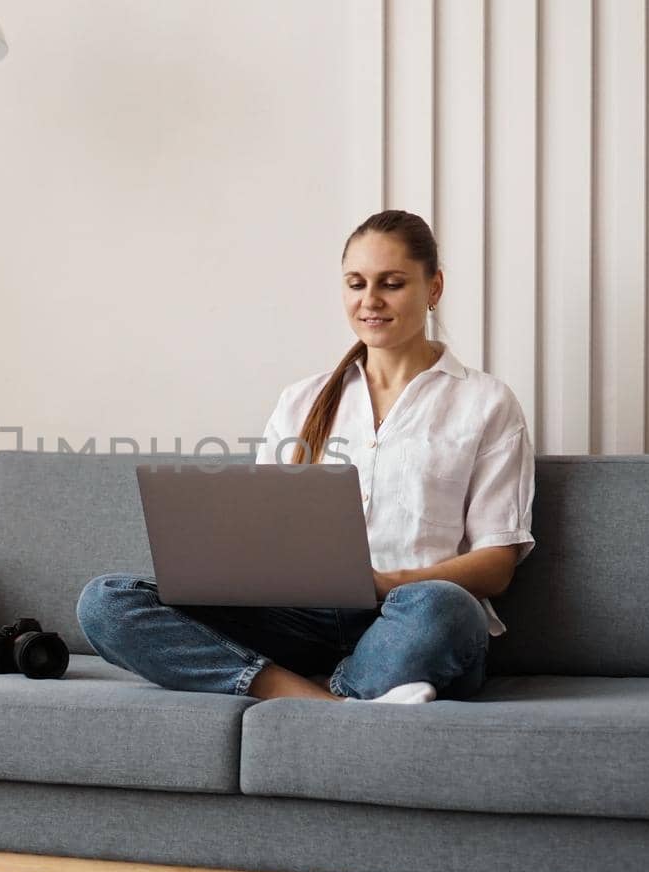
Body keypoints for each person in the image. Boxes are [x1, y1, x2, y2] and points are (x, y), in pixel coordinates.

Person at [76, 210, 536, 703]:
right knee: (106, 603)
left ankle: (330, 688)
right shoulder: (301, 400)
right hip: (296, 621)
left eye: (392, 284)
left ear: (434, 287)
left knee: (446, 608)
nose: (370, 301)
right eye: (355, 284)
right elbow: (258, 533)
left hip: (407, 622)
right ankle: (319, 699)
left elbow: (496, 564)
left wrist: (382, 584)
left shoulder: (487, 403)